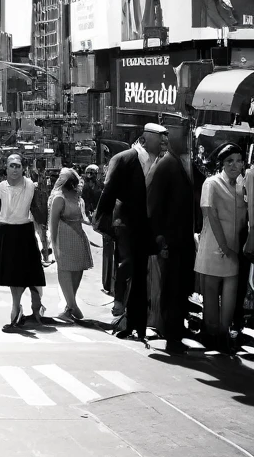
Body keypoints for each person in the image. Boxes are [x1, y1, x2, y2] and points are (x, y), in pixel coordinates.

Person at [94, 123, 168, 340]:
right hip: (126, 226)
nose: (164, 141)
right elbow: (109, 192)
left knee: (141, 275)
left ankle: (138, 323)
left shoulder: (160, 162)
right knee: (128, 267)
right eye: (159, 137)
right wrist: (105, 224)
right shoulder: (125, 159)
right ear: (145, 140)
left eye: (165, 137)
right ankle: (125, 313)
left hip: (147, 228)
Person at [146, 122, 202, 353]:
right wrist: (159, 239)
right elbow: (153, 205)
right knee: (172, 287)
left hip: (183, 239)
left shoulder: (182, 163)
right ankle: (172, 331)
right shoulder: (166, 165)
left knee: (181, 286)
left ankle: (177, 326)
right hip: (170, 240)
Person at [0, 152, 47, 330]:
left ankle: (20, 308)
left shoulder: (31, 186)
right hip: (6, 232)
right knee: (12, 275)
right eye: (12, 165)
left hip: (25, 231)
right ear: (7, 168)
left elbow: (38, 214)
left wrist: (45, 242)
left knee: (26, 273)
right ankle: (17, 308)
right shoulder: (1, 187)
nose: (15, 169)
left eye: (18, 165)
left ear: (23, 168)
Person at [194, 144, 247, 352]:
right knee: (210, 292)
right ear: (222, 164)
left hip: (234, 250)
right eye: (229, 161)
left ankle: (223, 334)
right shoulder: (212, 183)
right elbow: (210, 215)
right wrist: (224, 246)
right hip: (214, 247)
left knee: (230, 294)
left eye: (239, 160)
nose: (235, 165)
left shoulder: (242, 187)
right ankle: (212, 332)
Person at [48, 167, 93, 320]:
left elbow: (83, 218)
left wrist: (91, 221)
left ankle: (70, 306)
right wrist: (54, 245)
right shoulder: (59, 198)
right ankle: (72, 306)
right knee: (65, 270)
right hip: (65, 237)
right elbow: (52, 224)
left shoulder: (78, 198)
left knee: (77, 270)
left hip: (78, 236)